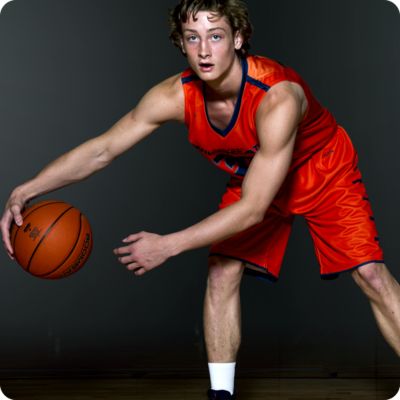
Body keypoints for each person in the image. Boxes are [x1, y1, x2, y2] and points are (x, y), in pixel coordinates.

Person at [1, 0, 399, 398]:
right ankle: (220, 394)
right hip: (254, 174)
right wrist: (27, 189)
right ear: (181, 43)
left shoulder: (277, 99)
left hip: (321, 170)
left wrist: (167, 245)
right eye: (193, 38)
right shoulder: (173, 96)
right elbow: (103, 150)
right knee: (222, 272)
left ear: (238, 39)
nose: (204, 51)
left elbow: (253, 209)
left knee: (370, 274)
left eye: (216, 36)